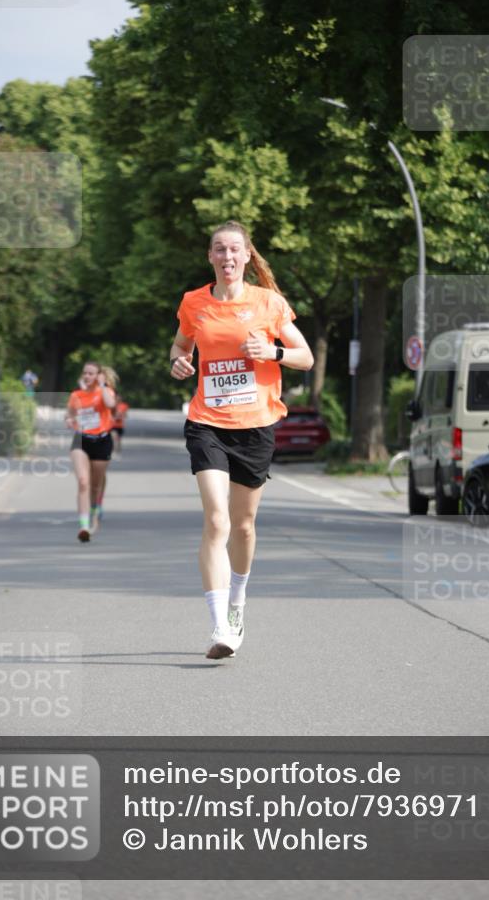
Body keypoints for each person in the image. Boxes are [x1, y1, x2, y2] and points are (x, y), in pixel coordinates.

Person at [171, 220, 313, 659]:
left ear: (247, 255)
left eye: (235, 249)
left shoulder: (269, 302)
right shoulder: (194, 303)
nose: (227, 256)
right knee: (217, 522)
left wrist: (272, 352)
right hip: (207, 422)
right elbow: (180, 347)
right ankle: (220, 628)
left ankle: (237, 602)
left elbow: (306, 357)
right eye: (219, 249)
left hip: (255, 425)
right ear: (210, 256)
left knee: (243, 525)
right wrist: (178, 362)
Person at [65, 362, 116, 542]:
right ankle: (84, 526)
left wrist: (101, 385)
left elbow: (111, 404)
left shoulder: (105, 392)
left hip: (102, 441)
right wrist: (69, 420)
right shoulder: (76, 395)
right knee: (83, 482)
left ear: (99, 376)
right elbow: (69, 414)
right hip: (81, 440)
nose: (87, 376)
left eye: (91, 373)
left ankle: (94, 514)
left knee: (95, 486)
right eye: (85, 373)